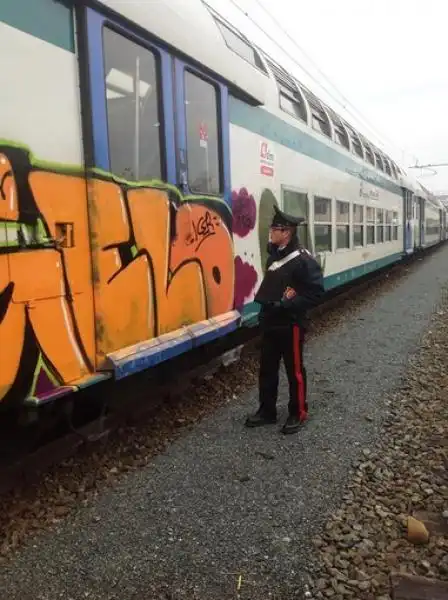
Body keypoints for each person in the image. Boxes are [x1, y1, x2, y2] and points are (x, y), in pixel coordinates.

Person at [245, 205, 325, 434]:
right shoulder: (274, 256)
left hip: (291, 324)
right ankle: (267, 411)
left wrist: (286, 305)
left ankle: (298, 412)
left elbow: (316, 293)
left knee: (295, 371)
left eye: (275, 228)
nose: (271, 231)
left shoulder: (303, 260)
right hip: (271, 322)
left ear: (287, 232)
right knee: (267, 369)